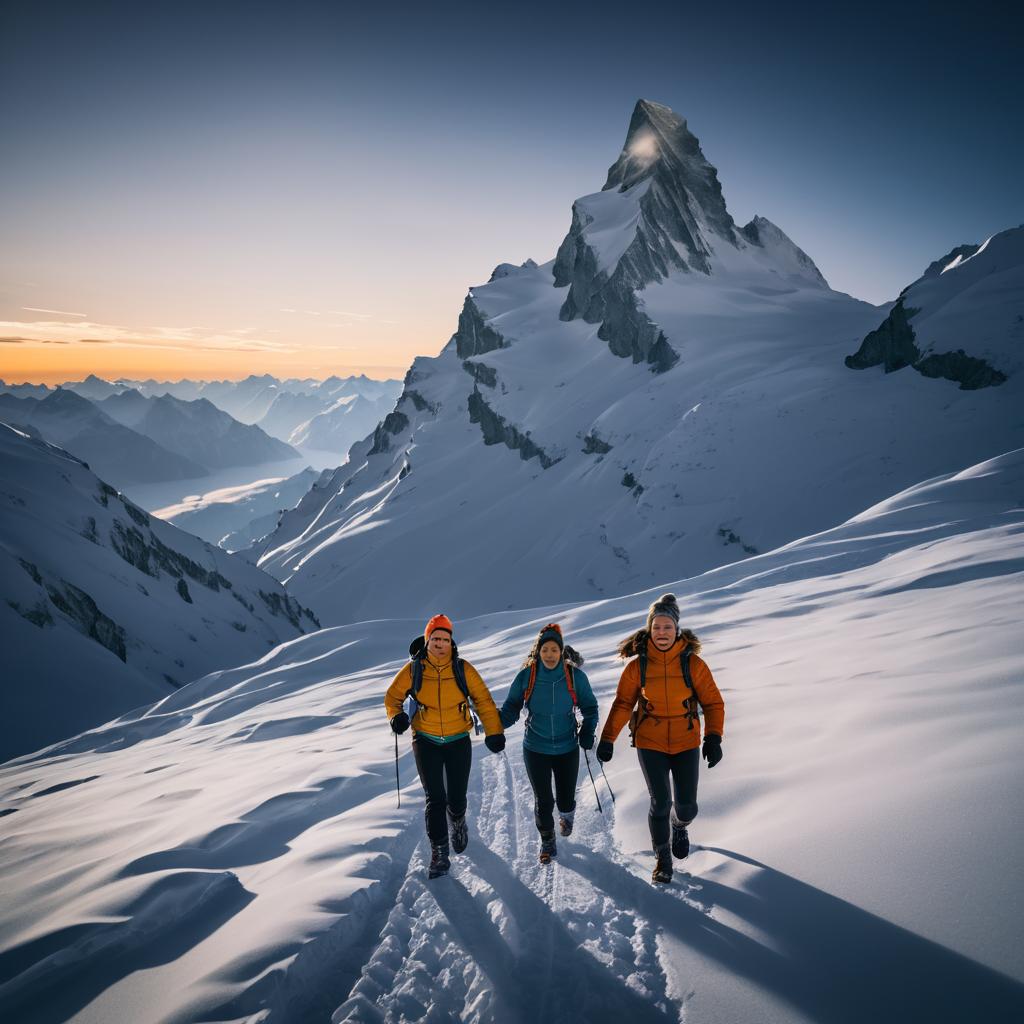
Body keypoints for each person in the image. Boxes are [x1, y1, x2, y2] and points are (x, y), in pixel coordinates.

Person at [596, 594, 725, 884]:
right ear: (649, 630)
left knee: (687, 806)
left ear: (677, 629)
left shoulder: (693, 665)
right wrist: (607, 739)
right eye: (657, 627)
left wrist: (713, 737)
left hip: (686, 742)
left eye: (667, 627)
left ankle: (679, 826)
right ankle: (663, 859)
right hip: (650, 741)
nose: (662, 633)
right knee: (660, 802)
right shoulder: (637, 667)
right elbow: (622, 705)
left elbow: (713, 703)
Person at [385, 614, 505, 879]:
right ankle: (439, 853)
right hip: (425, 740)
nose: (440, 644)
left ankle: (458, 820)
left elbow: (483, 700)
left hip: (457, 740)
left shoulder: (463, 669)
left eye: (445, 639)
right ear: (427, 641)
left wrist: (494, 732)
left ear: (451, 642)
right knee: (435, 799)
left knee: (457, 798)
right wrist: (396, 716)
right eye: (435, 639)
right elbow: (392, 697)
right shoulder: (414, 669)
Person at [500, 623, 599, 864]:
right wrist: (496, 727)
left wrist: (587, 730)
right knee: (544, 800)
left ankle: (567, 815)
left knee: (565, 799)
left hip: (567, 747)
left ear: (561, 651)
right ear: (538, 651)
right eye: (545, 650)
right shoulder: (528, 676)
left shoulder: (575, 676)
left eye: (554, 650)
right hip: (536, 747)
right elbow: (512, 705)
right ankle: (547, 840)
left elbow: (590, 708)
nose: (550, 655)